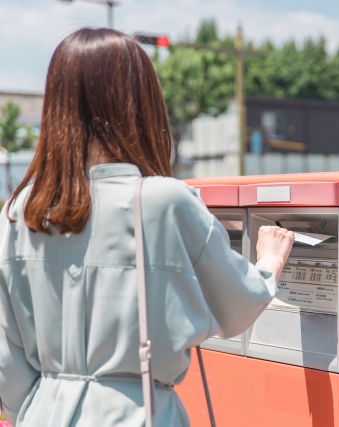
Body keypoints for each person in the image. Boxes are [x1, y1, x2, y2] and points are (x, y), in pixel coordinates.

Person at [0, 28, 294, 427]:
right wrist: (270, 262)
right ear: (138, 103)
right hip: (136, 412)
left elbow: (8, 356)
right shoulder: (164, 201)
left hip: (44, 411)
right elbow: (238, 305)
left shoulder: (22, 210)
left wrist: (30, 413)